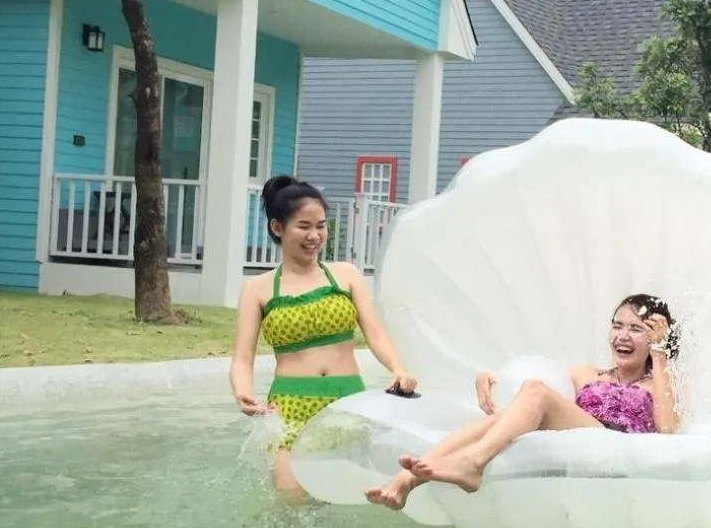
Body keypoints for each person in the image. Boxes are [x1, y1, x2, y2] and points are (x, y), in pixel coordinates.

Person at [365, 294, 679, 508]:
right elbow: (529, 405)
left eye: (636, 329)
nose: (622, 335)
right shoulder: (585, 373)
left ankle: (473, 464)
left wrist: (659, 353)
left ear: (654, 339)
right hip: (575, 446)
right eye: (617, 325)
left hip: (615, 449)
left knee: (535, 390)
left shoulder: (660, 382)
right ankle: (407, 479)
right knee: (500, 417)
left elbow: (667, 431)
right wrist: (491, 381)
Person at [231, 174, 417, 500]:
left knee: (347, 500)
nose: (314, 236)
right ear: (277, 228)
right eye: (304, 226)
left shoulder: (346, 275)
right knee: (290, 501)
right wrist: (243, 392)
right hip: (290, 407)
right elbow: (242, 359)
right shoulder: (257, 288)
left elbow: (375, 334)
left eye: (321, 226)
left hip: (347, 401)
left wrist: (397, 368)